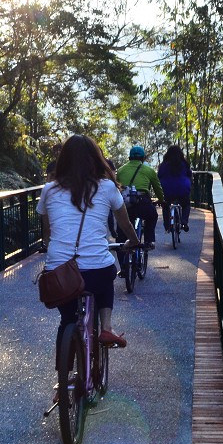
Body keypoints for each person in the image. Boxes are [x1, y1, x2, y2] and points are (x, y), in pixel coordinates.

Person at [38, 135, 140, 371]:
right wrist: (133, 241)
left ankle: (63, 381)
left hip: (60, 274)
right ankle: (106, 327)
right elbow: (124, 225)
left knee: (67, 320)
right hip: (96, 271)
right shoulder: (106, 188)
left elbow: (47, 233)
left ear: (62, 161)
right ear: (96, 159)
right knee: (107, 273)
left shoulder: (49, 190)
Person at [114, 145, 164, 273]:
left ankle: (124, 268)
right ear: (143, 158)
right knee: (152, 216)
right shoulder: (149, 170)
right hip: (143, 203)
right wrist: (162, 200)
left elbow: (116, 188)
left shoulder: (121, 170)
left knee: (121, 235)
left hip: (126, 205)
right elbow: (158, 189)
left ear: (129, 157)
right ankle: (148, 241)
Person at [158, 145, 193, 233]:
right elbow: (189, 175)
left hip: (167, 190)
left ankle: (167, 226)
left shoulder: (163, 165)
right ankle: (184, 221)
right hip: (183, 189)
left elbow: (159, 176)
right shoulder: (184, 163)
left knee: (165, 205)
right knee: (186, 204)